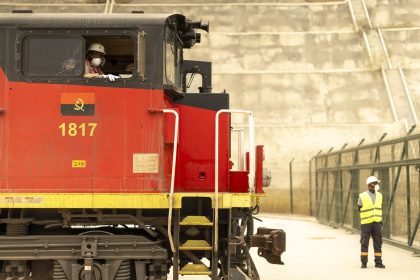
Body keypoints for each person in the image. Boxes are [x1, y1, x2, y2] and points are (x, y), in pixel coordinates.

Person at [358, 175, 385, 269]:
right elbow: (359, 208)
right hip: (366, 223)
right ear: (370, 185)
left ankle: (378, 262)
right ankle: (364, 262)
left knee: (378, 242)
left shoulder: (380, 195)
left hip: (377, 222)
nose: (377, 185)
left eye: (377, 183)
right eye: (375, 183)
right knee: (364, 242)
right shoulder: (362, 196)